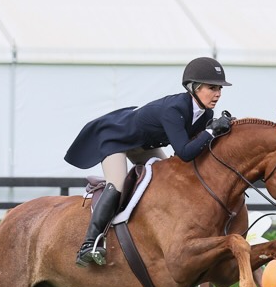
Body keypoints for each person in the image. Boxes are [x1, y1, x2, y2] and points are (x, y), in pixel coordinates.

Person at [65, 56, 235, 266]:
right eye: (212, 87)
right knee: (117, 185)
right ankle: (89, 244)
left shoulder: (205, 112)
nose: (218, 94)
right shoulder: (175, 110)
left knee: (171, 179)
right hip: (116, 139)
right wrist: (211, 131)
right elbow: (184, 152)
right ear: (194, 87)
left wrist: (220, 133)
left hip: (143, 145)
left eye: (220, 88)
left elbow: (197, 148)